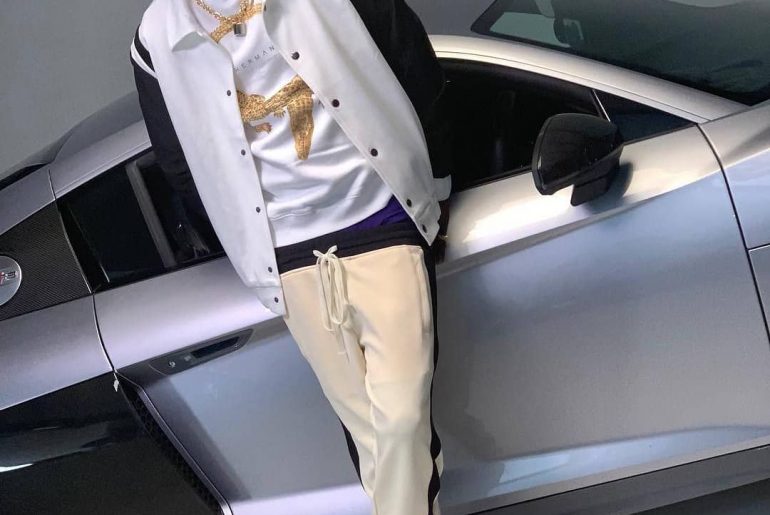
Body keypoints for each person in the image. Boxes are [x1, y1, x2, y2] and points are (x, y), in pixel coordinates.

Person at [129, 0, 453, 513]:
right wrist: (245, 243)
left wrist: (435, 188)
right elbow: (180, 165)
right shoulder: (156, 36)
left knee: (401, 422)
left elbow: (413, 65)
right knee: (372, 437)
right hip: (289, 251)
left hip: (380, 217)